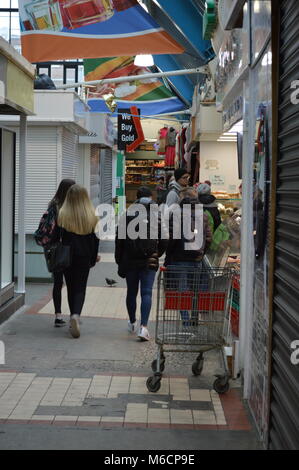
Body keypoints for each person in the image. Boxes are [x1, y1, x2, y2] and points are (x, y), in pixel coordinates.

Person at [115, 186, 168, 341]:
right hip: (149, 260)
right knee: (146, 292)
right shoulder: (157, 215)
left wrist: (119, 260)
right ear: (150, 198)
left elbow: (120, 240)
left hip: (130, 260)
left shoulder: (127, 214)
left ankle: (132, 322)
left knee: (131, 292)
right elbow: (165, 238)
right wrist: (158, 254)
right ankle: (143, 327)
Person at [57, 184, 100, 338]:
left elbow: (58, 237)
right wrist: (94, 256)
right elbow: (95, 239)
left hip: (67, 255)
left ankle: (71, 317)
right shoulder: (91, 215)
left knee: (70, 286)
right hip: (85, 255)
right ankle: (76, 314)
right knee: (81, 287)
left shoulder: (62, 214)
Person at [165, 191, 212, 325]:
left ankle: (185, 320)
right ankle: (195, 318)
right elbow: (209, 238)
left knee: (182, 290)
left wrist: (169, 254)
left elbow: (172, 238)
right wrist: (202, 252)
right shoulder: (203, 216)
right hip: (196, 259)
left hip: (179, 259)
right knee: (195, 290)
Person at [46, 178, 76, 327]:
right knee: (71, 284)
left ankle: (58, 315)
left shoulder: (53, 205)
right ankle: (73, 316)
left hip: (54, 248)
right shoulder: (70, 207)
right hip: (68, 249)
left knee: (57, 283)